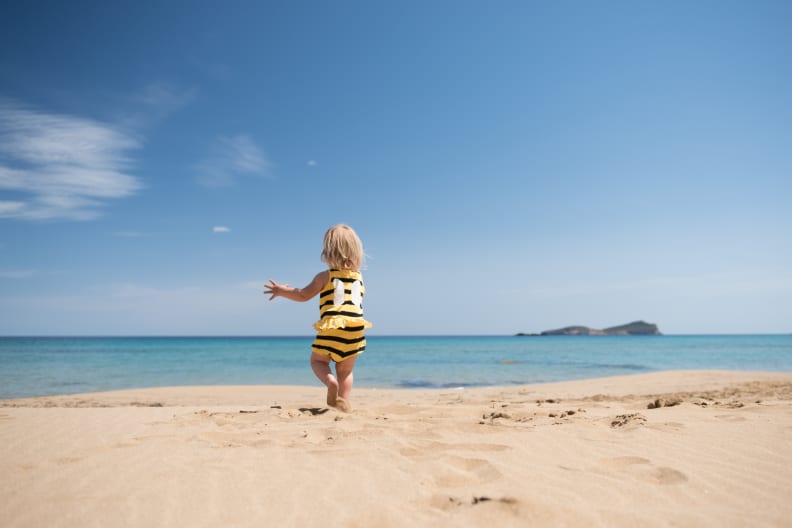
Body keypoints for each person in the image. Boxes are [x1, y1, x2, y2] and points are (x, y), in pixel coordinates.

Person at [263, 224, 371, 412]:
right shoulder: (359, 278)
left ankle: (330, 382)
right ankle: (342, 403)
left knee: (318, 361)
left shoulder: (325, 277)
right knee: (345, 371)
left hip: (333, 327)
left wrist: (281, 291)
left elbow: (303, 295)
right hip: (356, 328)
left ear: (328, 252)